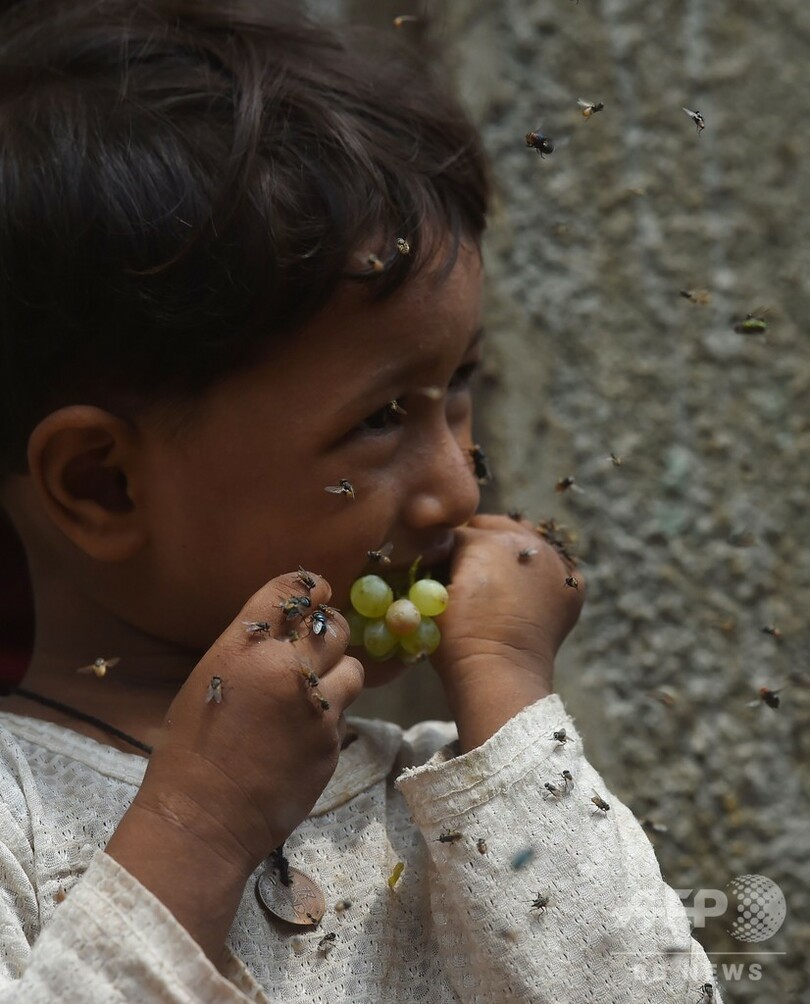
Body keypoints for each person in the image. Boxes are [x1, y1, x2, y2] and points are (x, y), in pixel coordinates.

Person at [0, 1, 720, 1001]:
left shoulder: (454, 801)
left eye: (458, 383)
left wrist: (509, 709)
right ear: (103, 483)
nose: (458, 486)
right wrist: (198, 827)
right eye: (380, 417)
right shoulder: (18, 817)